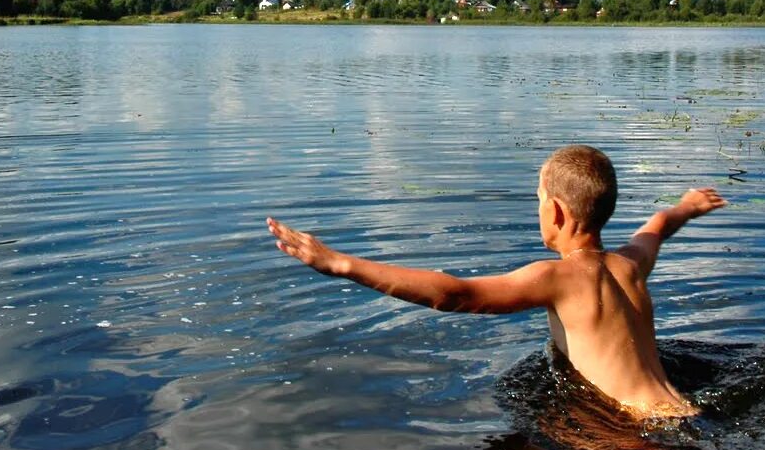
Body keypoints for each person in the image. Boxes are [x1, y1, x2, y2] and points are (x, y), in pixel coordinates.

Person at [266, 145, 727, 419]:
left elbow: (457, 294)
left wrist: (340, 263)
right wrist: (687, 205)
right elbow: (657, 227)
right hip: (684, 412)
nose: (537, 209)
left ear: (557, 212)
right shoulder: (629, 264)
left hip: (636, 430)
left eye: (538, 200)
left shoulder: (557, 278)